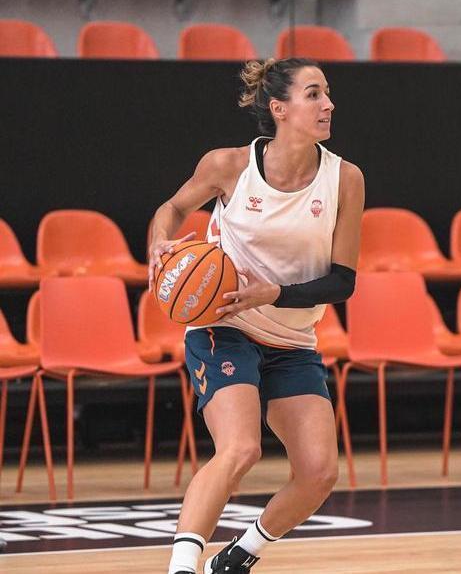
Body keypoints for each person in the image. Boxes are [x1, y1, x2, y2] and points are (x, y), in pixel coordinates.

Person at [148, 58, 364, 574]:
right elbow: (173, 209)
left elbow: (342, 281)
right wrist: (159, 242)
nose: (328, 104)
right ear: (279, 108)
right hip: (225, 325)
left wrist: (274, 293)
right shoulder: (229, 166)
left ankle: (240, 555)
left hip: (292, 337)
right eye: (314, 94)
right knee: (240, 449)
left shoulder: (345, 179)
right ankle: (181, 567)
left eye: (328, 93)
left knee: (319, 473)